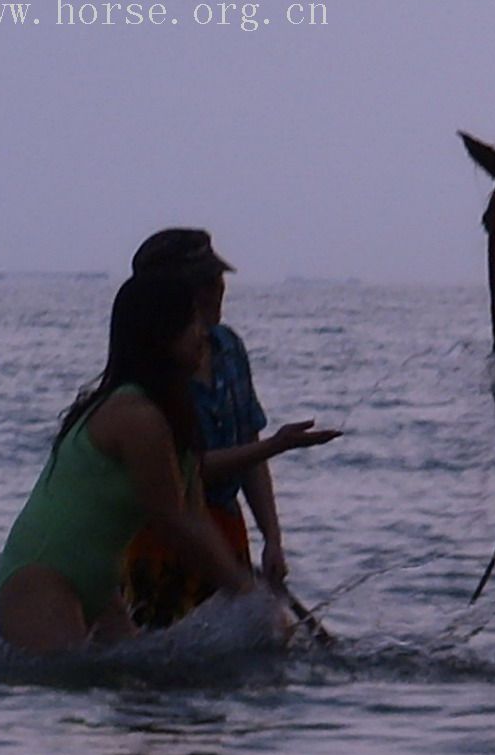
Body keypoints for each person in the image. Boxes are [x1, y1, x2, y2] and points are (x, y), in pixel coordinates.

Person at [0, 276, 253, 652]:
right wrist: (246, 594)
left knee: (139, 694)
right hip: (41, 576)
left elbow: (195, 514)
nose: (204, 334)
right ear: (161, 337)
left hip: (100, 586)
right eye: (192, 324)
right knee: (68, 685)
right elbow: (172, 521)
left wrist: (247, 590)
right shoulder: (135, 413)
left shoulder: (172, 415)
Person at [123, 229, 340, 627]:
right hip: (166, 538)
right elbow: (186, 471)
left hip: (227, 529)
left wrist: (272, 539)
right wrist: (278, 445)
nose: (218, 290)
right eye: (205, 283)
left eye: (217, 279)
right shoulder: (147, 379)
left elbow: (249, 453)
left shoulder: (230, 349)